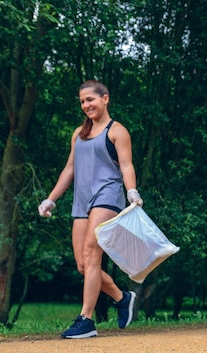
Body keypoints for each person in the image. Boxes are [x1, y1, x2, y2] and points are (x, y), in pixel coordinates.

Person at [38, 80, 143, 339]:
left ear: (105, 99)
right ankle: (122, 298)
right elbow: (70, 169)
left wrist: (132, 191)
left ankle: (86, 320)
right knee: (83, 265)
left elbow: (126, 165)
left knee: (92, 255)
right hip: (81, 201)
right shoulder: (79, 133)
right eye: (82, 101)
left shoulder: (117, 131)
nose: (86, 105)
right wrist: (51, 199)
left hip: (107, 197)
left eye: (91, 100)